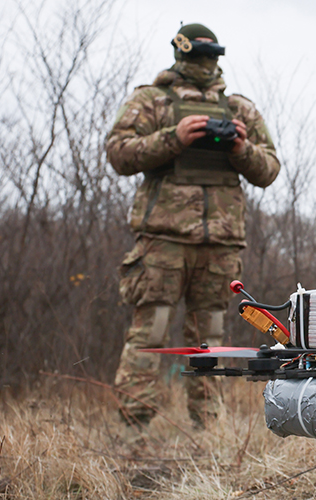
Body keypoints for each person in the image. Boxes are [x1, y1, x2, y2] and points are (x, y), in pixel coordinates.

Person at [106, 23, 280, 427]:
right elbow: (118, 154)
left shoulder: (239, 109)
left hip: (220, 244)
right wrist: (174, 137)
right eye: (199, 56)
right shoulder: (150, 101)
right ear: (181, 54)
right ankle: (134, 430)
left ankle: (208, 429)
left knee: (209, 340)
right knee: (150, 335)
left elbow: (269, 169)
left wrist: (240, 146)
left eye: (211, 56)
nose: (205, 64)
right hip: (162, 241)